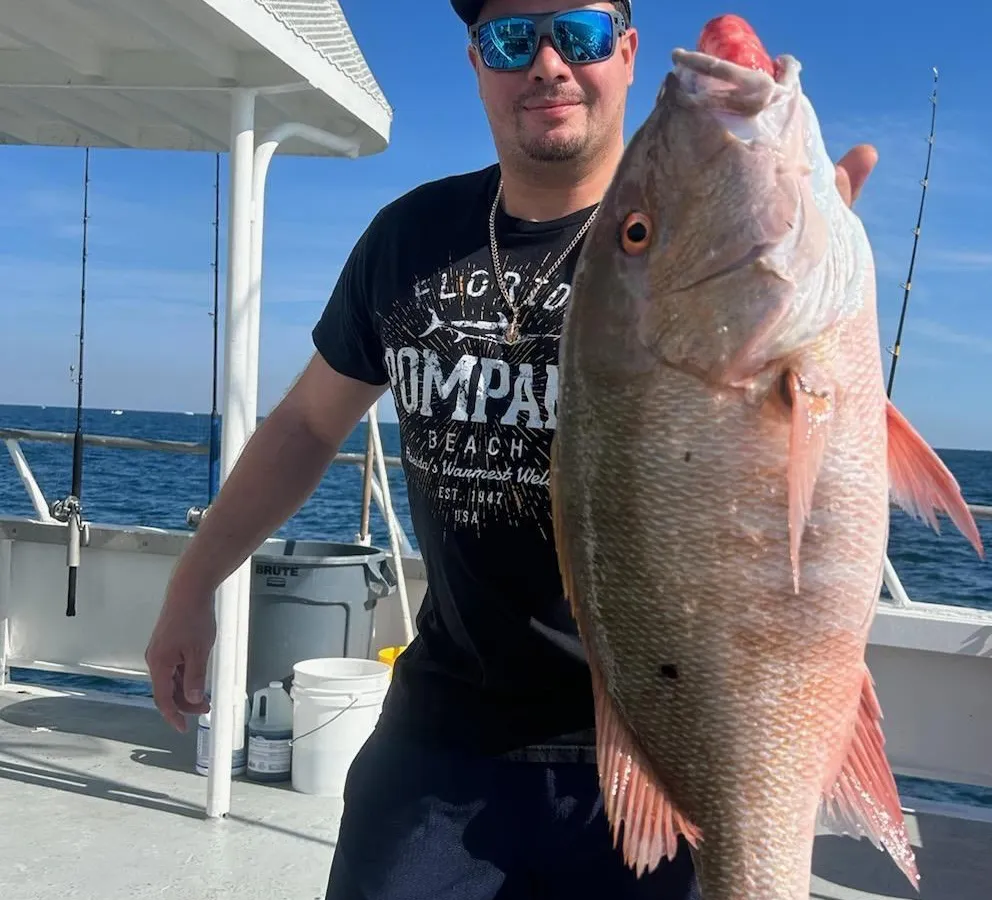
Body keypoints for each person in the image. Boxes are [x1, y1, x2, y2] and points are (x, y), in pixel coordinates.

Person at [143, 1, 878, 897]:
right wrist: (193, 583)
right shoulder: (409, 241)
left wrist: (808, 301)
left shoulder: (702, 244)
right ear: (476, 63)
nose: (547, 63)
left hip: (666, 738)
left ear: (627, 52)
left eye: (581, 33)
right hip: (442, 736)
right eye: (509, 38)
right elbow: (304, 426)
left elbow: (801, 481)